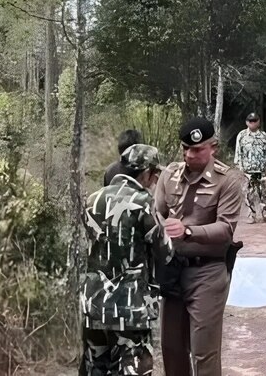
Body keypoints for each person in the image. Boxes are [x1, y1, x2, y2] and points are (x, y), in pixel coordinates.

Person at [155, 117, 245, 376]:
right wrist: (161, 227)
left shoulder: (226, 180)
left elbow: (226, 228)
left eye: (196, 149)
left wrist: (188, 231)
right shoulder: (169, 175)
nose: (189, 154)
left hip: (207, 272)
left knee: (203, 350)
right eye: (185, 148)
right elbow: (155, 212)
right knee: (171, 347)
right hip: (173, 272)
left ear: (213, 147)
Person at [81, 144, 174, 376]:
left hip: (93, 305)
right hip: (130, 308)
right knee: (132, 369)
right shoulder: (143, 201)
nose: (153, 181)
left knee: (95, 368)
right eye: (154, 175)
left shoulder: (92, 199)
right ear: (146, 173)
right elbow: (166, 252)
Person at [234, 112, 266, 224]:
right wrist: (240, 167)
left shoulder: (263, 135)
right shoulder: (242, 135)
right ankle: (251, 215)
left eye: (255, 121)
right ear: (247, 122)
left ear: (258, 122)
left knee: (264, 193)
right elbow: (238, 153)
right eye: (250, 121)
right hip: (248, 171)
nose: (252, 123)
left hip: (261, 170)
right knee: (249, 194)